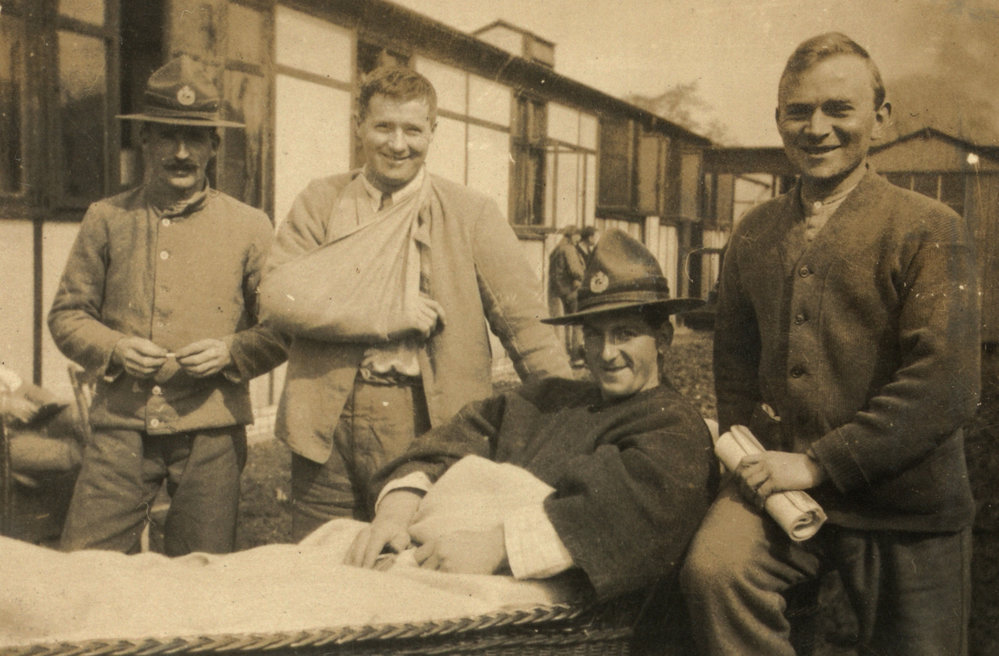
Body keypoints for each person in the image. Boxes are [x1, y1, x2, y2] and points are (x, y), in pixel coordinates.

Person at [680, 33, 979, 656]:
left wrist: (821, 463)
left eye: (839, 109)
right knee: (716, 571)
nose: (817, 129)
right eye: (798, 111)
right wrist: (755, 462)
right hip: (786, 494)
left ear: (882, 115)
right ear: (779, 119)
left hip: (906, 505)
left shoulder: (929, 228)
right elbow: (733, 366)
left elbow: (946, 384)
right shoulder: (754, 232)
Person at [264, 66, 570, 540]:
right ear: (359, 126)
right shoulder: (321, 201)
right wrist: (385, 315)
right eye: (383, 126)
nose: (397, 143)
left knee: (415, 570)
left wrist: (571, 423)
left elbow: (528, 328)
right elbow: (278, 297)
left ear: (433, 131)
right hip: (327, 421)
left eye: (413, 129)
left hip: (428, 425)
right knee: (320, 568)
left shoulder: (471, 213)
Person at [348, 228, 718, 605]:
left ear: (663, 339)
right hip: (435, 562)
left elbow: (622, 517)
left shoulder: (671, 425)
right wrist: (395, 513)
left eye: (625, 334)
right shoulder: (547, 398)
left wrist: (497, 546)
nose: (606, 353)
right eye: (594, 336)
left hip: (539, 616)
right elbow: (447, 442)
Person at [47, 55, 288, 555]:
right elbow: (67, 315)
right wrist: (114, 348)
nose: (181, 153)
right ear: (146, 141)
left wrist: (231, 352)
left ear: (214, 145)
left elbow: (281, 327)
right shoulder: (107, 218)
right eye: (167, 136)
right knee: (86, 569)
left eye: (195, 138)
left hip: (211, 433)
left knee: (202, 576)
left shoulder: (250, 225)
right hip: (121, 428)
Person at [548, 225, 586, 366]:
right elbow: (576, 270)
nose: (579, 238)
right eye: (577, 235)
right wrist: (584, 277)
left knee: (565, 325)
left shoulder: (557, 249)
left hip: (559, 291)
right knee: (577, 323)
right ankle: (576, 357)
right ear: (572, 235)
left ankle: (566, 354)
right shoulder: (569, 249)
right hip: (571, 290)